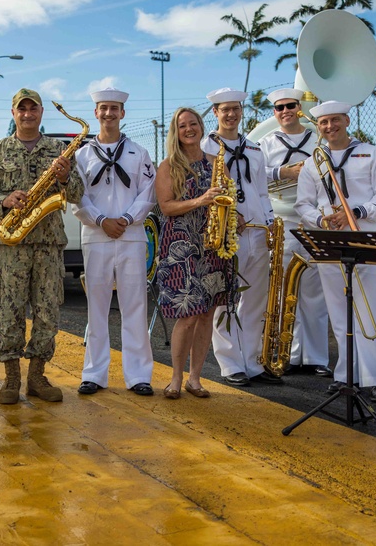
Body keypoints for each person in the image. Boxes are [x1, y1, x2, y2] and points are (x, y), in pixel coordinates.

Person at [0, 88, 85, 404]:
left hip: (49, 245)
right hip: (11, 244)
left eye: (32, 108)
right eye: (21, 109)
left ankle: (37, 377)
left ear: (40, 113)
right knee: (8, 311)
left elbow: (76, 194)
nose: (27, 114)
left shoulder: (59, 151)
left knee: (48, 310)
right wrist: (4, 200)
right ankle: (11, 379)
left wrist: (64, 179)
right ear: (13, 113)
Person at [294, 100, 376, 403]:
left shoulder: (373, 153)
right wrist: (321, 218)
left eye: (335, 120)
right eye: (324, 123)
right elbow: (303, 204)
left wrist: (356, 210)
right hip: (329, 239)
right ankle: (345, 375)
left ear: (347, 120)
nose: (330, 127)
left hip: (363, 237)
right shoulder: (313, 161)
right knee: (338, 313)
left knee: (369, 310)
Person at [73, 88, 157, 397]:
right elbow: (76, 196)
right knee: (97, 307)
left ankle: (138, 376)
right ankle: (94, 374)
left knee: (134, 305)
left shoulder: (139, 152)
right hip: (96, 236)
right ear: (95, 113)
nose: (108, 113)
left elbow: (148, 192)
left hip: (131, 235)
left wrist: (126, 218)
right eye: (103, 108)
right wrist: (100, 220)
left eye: (114, 108)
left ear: (122, 113)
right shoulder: (81, 155)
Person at [200, 88, 280, 387]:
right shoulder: (205, 147)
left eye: (235, 109)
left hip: (257, 232)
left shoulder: (255, 149)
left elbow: (261, 192)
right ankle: (230, 363)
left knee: (255, 299)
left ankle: (253, 361)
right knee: (226, 299)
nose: (231, 114)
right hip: (225, 232)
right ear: (216, 113)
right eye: (225, 109)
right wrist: (231, 218)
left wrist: (270, 222)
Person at [155, 107, 231, 399]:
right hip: (180, 248)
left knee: (206, 315)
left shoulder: (217, 164)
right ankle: (175, 378)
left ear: (201, 126)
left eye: (193, 123)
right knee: (186, 315)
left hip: (213, 246)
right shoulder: (168, 167)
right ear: (176, 132)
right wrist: (201, 200)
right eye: (182, 125)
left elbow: (228, 202)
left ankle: (195, 378)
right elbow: (166, 207)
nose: (189, 129)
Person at [258, 88, 331, 377]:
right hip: (282, 219)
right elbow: (254, 173)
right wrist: (284, 173)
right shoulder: (265, 142)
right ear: (274, 113)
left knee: (314, 292)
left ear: (299, 107)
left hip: (314, 219)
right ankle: (279, 354)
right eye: (279, 108)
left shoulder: (317, 138)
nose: (285, 111)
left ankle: (313, 358)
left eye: (290, 106)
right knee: (280, 290)